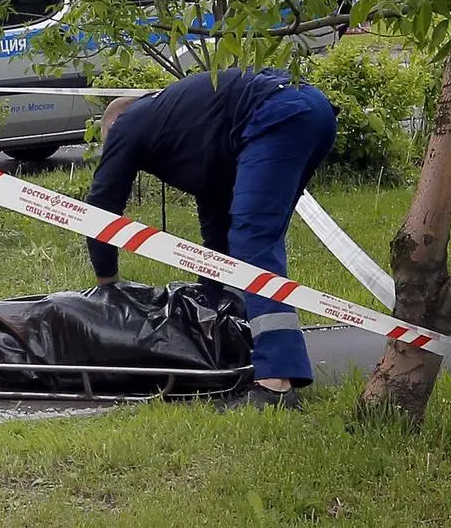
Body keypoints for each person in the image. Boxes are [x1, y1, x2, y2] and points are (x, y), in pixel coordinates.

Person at [84, 68, 338, 411]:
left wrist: (107, 283)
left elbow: (100, 207)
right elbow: (217, 233)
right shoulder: (188, 124)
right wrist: (209, 302)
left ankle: (276, 383)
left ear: (113, 127)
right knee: (247, 238)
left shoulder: (127, 123)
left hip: (277, 113)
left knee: (253, 241)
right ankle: (243, 344)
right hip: (312, 110)